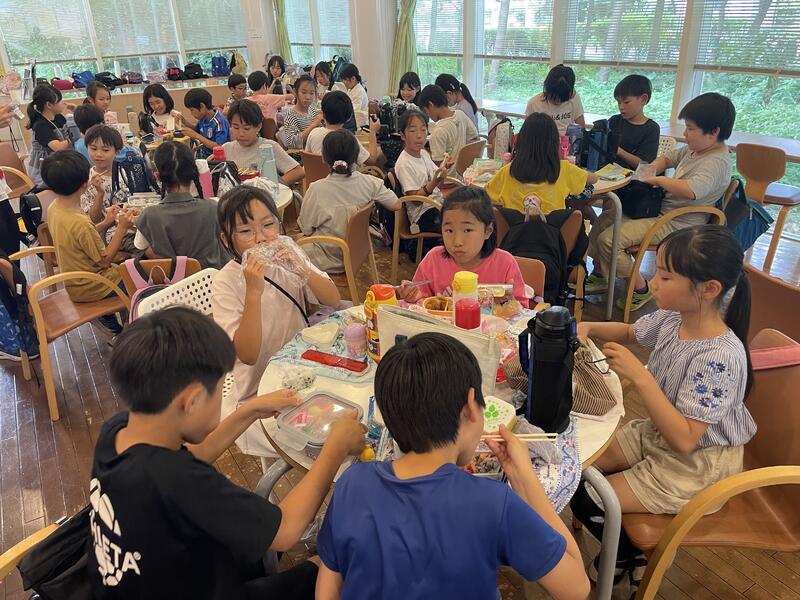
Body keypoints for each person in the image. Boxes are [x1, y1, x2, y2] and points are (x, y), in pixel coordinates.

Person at [90, 306, 367, 598]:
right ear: (192, 401)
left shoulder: (119, 431)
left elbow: (198, 452)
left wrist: (250, 410)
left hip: (148, 577)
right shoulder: (177, 481)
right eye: (219, 392)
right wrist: (335, 448)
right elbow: (286, 531)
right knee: (330, 565)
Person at [315, 332, 590, 600]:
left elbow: (328, 588)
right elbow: (577, 588)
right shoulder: (493, 504)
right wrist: (524, 477)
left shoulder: (352, 483)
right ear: (470, 405)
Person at [572, 225, 755, 594]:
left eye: (666, 276)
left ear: (709, 289)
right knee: (573, 465)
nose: (653, 283)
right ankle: (625, 553)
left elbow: (685, 440)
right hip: (658, 433)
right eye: (656, 272)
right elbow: (631, 332)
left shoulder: (719, 358)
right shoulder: (676, 317)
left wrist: (641, 377)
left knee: (591, 496)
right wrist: (588, 326)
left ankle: (628, 558)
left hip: (697, 464)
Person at [212, 186, 340, 457]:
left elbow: (332, 299)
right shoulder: (225, 282)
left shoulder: (288, 258)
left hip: (303, 373)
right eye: (246, 231)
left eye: (268, 225)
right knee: (325, 446)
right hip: (259, 395)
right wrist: (253, 292)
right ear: (226, 240)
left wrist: (302, 268)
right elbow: (247, 355)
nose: (261, 238)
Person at [586, 92, 736, 312]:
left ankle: (640, 288)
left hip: (677, 223)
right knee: (604, 220)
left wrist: (658, 180)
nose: (685, 134)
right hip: (660, 211)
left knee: (609, 240)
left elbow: (691, 190)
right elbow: (668, 158)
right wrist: (653, 168)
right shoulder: (697, 149)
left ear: (714, 132)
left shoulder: (716, 162)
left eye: (690, 129)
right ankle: (600, 274)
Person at [43, 150, 131, 333]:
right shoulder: (80, 222)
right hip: (93, 285)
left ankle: (110, 321)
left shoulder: (55, 208)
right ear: (85, 183)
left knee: (129, 269)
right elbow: (105, 260)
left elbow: (77, 239)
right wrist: (121, 227)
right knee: (140, 280)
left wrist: (105, 223)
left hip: (74, 282)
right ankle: (125, 329)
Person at [398, 186, 528, 305]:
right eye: (449, 230)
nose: (457, 242)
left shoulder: (505, 263)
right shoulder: (433, 259)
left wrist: (510, 305)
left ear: (488, 231)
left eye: (467, 230)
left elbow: (523, 310)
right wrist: (414, 296)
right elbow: (420, 302)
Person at [299, 129, 399, 273]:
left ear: (324, 158)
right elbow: (396, 204)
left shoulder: (316, 189)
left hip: (328, 257)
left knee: (293, 245)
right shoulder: (370, 183)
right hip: (359, 252)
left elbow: (306, 227)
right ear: (357, 156)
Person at [134, 141, 229, 269]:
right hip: (211, 278)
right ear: (194, 173)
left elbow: (140, 247)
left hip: (172, 280)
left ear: (157, 176)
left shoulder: (149, 214)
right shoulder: (213, 207)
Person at [485, 112, 597, 215]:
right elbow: (594, 179)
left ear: (521, 141)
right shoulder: (564, 169)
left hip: (514, 230)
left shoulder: (508, 171)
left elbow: (487, 194)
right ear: (554, 143)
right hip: (553, 230)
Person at [393, 110, 453, 235]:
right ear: (403, 135)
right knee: (459, 225)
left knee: (469, 211)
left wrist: (443, 170)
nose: (419, 135)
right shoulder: (404, 164)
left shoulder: (424, 153)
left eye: (423, 130)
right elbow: (416, 200)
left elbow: (439, 184)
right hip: (423, 215)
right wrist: (435, 181)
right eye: (413, 130)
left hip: (437, 204)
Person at [223, 99, 304, 186]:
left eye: (246, 128)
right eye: (236, 127)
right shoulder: (226, 148)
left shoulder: (269, 147)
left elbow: (298, 172)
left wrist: (271, 186)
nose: (241, 134)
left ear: (258, 127)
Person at [80, 125, 135, 252]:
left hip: (132, 225)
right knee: (149, 248)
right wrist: (100, 193)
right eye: (93, 148)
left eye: (105, 150)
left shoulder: (125, 173)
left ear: (117, 152)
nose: (98, 154)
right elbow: (94, 219)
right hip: (110, 234)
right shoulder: (86, 181)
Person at [305, 91, 378, 166]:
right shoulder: (349, 139)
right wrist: (373, 132)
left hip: (314, 174)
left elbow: (307, 159)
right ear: (349, 117)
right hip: (346, 174)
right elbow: (372, 161)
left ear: (323, 114)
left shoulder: (313, 133)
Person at [417, 84, 479, 173]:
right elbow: (474, 138)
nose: (428, 115)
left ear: (431, 105)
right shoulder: (460, 114)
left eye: (426, 111)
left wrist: (424, 151)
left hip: (447, 179)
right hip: (463, 175)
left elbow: (438, 167)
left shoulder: (438, 131)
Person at [610, 75, 661, 170]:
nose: (621, 107)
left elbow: (644, 165)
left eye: (626, 102)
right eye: (619, 102)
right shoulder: (614, 121)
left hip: (633, 177)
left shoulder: (651, 129)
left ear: (643, 99)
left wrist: (618, 151)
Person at [27, 84, 73, 187]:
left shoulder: (59, 117)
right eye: (60, 101)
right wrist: (74, 137)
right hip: (44, 171)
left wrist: (76, 111)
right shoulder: (40, 125)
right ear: (49, 105)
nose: (63, 103)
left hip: (59, 163)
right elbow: (58, 147)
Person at [525, 64, 585, 134]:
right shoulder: (534, 104)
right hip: (544, 139)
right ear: (547, 89)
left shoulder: (574, 98)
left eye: (562, 99)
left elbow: (581, 126)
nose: (558, 102)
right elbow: (528, 132)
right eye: (554, 98)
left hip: (568, 139)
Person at [182, 88, 230, 158]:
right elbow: (196, 130)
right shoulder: (203, 118)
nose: (191, 114)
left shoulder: (219, 122)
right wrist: (184, 121)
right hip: (204, 154)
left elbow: (219, 146)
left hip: (215, 158)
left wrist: (196, 136)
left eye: (192, 110)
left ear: (202, 106)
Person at [283, 74, 322, 150]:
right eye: (304, 92)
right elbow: (291, 143)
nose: (308, 97)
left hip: (316, 148)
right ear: (295, 92)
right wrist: (313, 125)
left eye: (311, 93)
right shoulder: (291, 115)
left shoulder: (313, 110)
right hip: (302, 154)